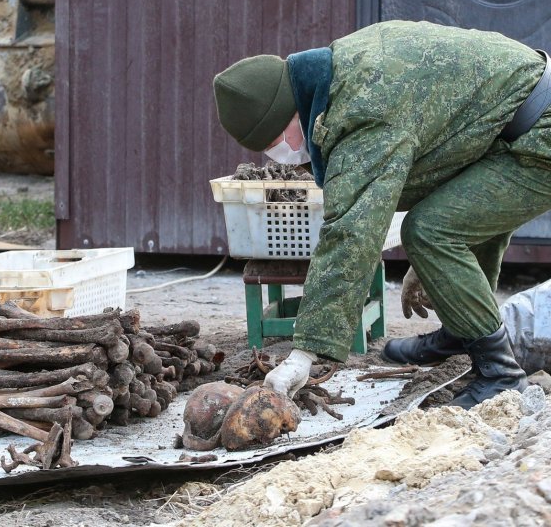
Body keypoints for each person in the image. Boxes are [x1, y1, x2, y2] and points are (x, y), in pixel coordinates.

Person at [211, 20, 551, 409]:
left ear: (288, 114)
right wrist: (434, 272)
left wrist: (304, 354)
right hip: (505, 126)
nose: (283, 154)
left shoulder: (361, 110)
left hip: (539, 136)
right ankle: (464, 328)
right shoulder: (344, 66)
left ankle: (500, 374)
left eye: (274, 142)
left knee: (429, 232)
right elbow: (445, 141)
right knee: (440, 228)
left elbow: (352, 233)